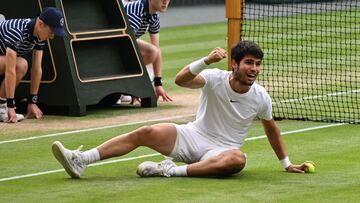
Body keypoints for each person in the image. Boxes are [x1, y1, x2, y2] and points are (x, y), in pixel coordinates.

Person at [52, 41, 314, 178]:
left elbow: (272, 129)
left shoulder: (260, 97)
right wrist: (205, 61)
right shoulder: (213, 78)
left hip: (221, 151)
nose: (254, 69)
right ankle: (81, 161)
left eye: (257, 64)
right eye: (248, 63)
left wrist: (287, 164)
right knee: (146, 131)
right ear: (234, 64)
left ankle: (168, 170)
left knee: (238, 160)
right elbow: (180, 81)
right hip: (192, 137)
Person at [0, 7, 66, 123]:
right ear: (40, 24)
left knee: (21, 65)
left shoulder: (40, 36)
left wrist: (32, 102)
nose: (52, 36)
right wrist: (10, 106)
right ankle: (2, 108)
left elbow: (36, 69)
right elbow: (10, 70)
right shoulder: (16, 31)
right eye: (51, 31)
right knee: (20, 64)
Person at [120, 0, 172, 103]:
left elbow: (157, 50)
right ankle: (121, 88)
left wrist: (158, 84)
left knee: (153, 52)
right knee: (147, 51)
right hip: (108, 48)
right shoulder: (135, 13)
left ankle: (125, 87)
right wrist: (135, 87)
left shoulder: (153, 16)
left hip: (122, 44)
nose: (165, 1)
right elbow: (125, 48)